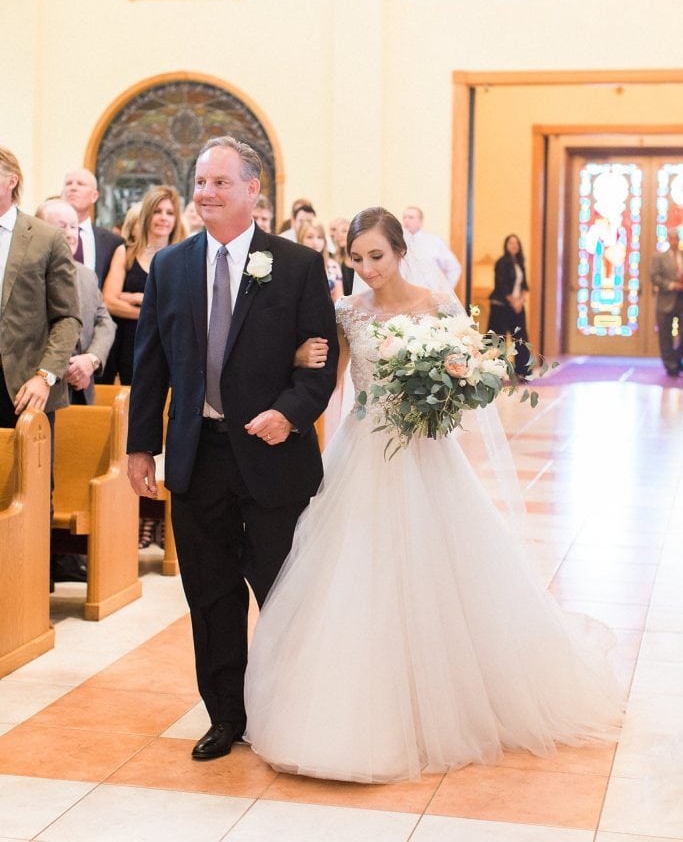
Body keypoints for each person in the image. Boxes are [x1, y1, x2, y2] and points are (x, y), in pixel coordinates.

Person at [245, 206, 622, 783]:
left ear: (400, 252)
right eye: (357, 258)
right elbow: (333, 382)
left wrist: (442, 395)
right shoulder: (346, 311)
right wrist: (300, 380)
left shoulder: (437, 306)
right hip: (364, 448)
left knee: (438, 568)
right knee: (354, 572)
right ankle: (350, 704)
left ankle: (447, 701)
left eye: (377, 256)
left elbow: (474, 378)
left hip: (424, 451)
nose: (368, 269)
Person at [126, 135, 338, 762]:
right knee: (212, 593)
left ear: (252, 190)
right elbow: (153, 365)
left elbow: (318, 368)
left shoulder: (296, 265)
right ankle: (226, 715)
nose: (205, 194)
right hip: (199, 455)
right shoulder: (170, 266)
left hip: (272, 454)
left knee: (282, 588)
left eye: (220, 183)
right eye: (200, 182)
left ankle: (291, 708)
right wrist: (141, 447)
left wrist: (290, 413)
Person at [0, 147, 81, 432]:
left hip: (25, 386)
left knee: (29, 476)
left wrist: (45, 376)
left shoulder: (47, 238)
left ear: (12, 180)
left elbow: (67, 317)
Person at [102, 186, 185, 387]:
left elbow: (183, 307)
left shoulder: (183, 256)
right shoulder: (126, 252)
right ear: (147, 215)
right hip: (130, 344)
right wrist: (153, 312)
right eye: (157, 211)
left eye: (170, 213)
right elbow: (109, 302)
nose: (163, 218)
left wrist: (137, 299)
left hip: (170, 344)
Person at [35, 200, 115, 404]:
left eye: (75, 227)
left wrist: (91, 359)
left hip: (81, 388)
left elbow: (105, 323)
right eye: (62, 226)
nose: (71, 234)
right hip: (40, 388)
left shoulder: (87, 275)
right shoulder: (28, 274)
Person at [61, 168, 123, 287]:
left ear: (94, 196)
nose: (73, 188)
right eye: (68, 183)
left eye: (80, 184)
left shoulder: (112, 243)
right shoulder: (44, 235)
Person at [487, 233, 530, 378]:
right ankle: (494, 371)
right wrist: (513, 302)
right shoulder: (502, 262)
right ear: (506, 245)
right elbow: (503, 285)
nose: (514, 246)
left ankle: (522, 371)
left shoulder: (519, 263)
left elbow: (524, 285)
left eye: (516, 243)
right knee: (498, 339)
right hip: (501, 306)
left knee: (521, 338)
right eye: (511, 243)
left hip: (517, 305)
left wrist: (520, 301)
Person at [649, 225, 683, 377]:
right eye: (672, 238)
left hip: (681, 301)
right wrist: (671, 285)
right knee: (665, 335)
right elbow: (654, 277)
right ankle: (670, 365)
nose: (675, 241)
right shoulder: (659, 258)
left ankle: (677, 359)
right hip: (666, 301)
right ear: (668, 240)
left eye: (677, 238)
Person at [402, 205, 462, 289]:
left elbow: (454, 267)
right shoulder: (398, 243)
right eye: (404, 217)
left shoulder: (433, 241)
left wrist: (446, 291)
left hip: (429, 295)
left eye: (411, 217)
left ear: (420, 221)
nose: (406, 220)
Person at [296, 218, 343, 303]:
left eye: (320, 237)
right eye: (309, 237)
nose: (315, 242)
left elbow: (339, 301)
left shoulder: (333, 266)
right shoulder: (293, 266)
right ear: (301, 239)